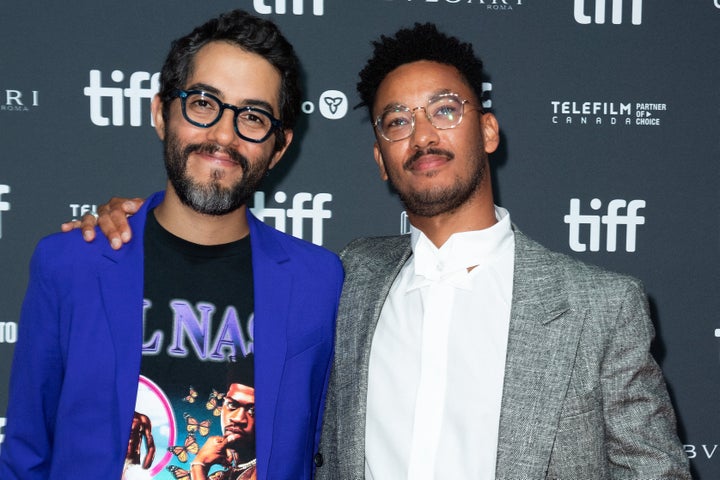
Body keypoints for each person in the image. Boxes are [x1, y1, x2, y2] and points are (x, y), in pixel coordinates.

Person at [64, 23, 691, 480]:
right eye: (396, 121)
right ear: (380, 158)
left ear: (489, 129)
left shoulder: (600, 307)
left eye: (445, 109)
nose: (422, 134)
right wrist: (130, 219)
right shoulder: (348, 278)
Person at [0, 9, 342, 480]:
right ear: (162, 112)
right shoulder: (70, 264)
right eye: (204, 103)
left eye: (254, 116)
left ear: (279, 146)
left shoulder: (321, 283)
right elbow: (25, 454)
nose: (224, 135)